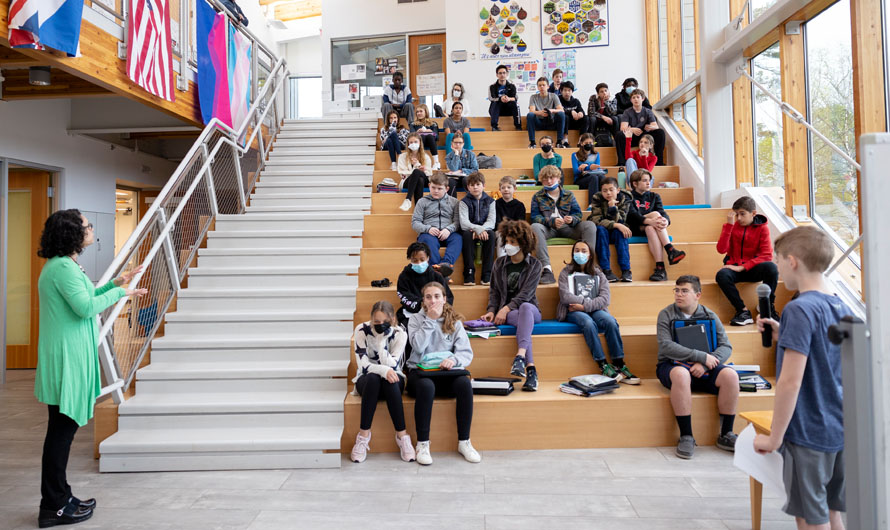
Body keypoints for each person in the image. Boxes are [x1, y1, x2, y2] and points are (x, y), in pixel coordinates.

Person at [35, 209, 147, 528]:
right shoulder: (62, 269)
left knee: (61, 433)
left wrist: (116, 282)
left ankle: (60, 496)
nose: (91, 228)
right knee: (60, 435)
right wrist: (121, 293)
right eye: (87, 225)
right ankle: (53, 505)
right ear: (72, 233)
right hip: (66, 359)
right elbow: (85, 308)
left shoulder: (62, 266)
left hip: (67, 356)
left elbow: (85, 297)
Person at [753, 226, 852, 530]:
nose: (778, 269)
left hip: (808, 430)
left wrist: (775, 437)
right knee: (832, 512)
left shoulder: (799, 309)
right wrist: (784, 335)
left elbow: (790, 381)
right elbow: (826, 355)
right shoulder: (841, 305)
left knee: (810, 518)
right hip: (839, 428)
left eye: (779, 261)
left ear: (792, 261)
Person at [656, 275, 739, 460]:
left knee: (731, 376)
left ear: (697, 295)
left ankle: (726, 434)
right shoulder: (666, 314)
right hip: (671, 365)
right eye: (676, 290)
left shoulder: (710, 315)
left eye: (684, 291)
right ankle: (686, 436)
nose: (678, 294)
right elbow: (666, 346)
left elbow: (726, 347)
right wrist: (700, 357)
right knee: (681, 374)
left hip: (706, 367)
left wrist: (705, 364)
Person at [406, 282, 479, 465]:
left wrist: (453, 360)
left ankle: (464, 442)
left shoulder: (455, 321)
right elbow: (417, 347)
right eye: (428, 297)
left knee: (464, 383)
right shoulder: (415, 319)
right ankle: (422, 444)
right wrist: (430, 320)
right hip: (420, 374)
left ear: (444, 299)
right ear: (423, 300)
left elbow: (465, 352)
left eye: (437, 296)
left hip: (445, 374)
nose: (433, 301)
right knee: (426, 386)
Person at [557, 240, 639, 383]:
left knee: (610, 321)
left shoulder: (599, 274)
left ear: (590, 255)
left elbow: (605, 299)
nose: (579, 253)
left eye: (583, 251)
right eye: (576, 250)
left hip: (591, 309)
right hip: (573, 310)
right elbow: (565, 296)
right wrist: (584, 306)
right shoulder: (565, 272)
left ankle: (619, 363)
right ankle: (602, 364)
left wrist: (584, 306)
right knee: (588, 323)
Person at [481, 220, 543, 391]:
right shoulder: (499, 264)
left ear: (523, 244)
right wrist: (492, 311)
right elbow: (493, 291)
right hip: (509, 314)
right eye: (507, 242)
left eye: (512, 242)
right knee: (523, 325)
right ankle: (530, 370)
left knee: (524, 308)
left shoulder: (535, 265)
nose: (508, 246)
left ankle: (520, 356)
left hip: (530, 310)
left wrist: (505, 308)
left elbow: (526, 295)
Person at [350, 301, 415, 464]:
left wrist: (380, 342)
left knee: (390, 381)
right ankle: (363, 437)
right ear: (371, 319)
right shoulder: (361, 330)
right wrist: (382, 370)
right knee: (373, 378)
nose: (380, 325)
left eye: (384, 322)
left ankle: (402, 437)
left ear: (392, 319)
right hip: (366, 381)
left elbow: (393, 365)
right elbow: (363, 366)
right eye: (376, 322)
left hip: (393, 379)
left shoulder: (400, 333)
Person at [715, 196, 779, 326]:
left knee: (772, 268)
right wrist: (729, 226)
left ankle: (767, 307)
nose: (738, 218)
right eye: (737, 214)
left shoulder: (762, 228)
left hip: (753, 269)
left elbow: (766, 255)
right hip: (734, 268)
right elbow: (721, 249)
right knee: (721, 275)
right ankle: (742, 312)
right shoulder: (732, 226)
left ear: (753, 213)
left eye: (742, 214)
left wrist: (743, 267)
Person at [530, 165, 598, 285]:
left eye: (552, 178)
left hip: (568, 228)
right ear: (541, 180)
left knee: (590, 225)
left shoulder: (568, 194)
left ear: (558, 178)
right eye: (545, 179)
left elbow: (578, 214)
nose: (549, 181)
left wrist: (572, 219)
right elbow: (535, 217)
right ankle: (547, 269)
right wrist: (551, 221)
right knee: (534, 227)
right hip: (549, 229)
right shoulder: (537, 196)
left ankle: (588, 265)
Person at [626, 169, 685, 281]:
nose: (648, 183)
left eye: (649, 180)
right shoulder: (628, 196)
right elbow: (632, 215)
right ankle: (670, 249)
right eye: (644, 181)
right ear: (635, 183)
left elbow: (663, 213)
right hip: (635, 226)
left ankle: (660, 268)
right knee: (655, 214)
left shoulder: (654, 196)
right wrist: (651, 221)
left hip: (651, 228)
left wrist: (666, 221)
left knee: (651, 227)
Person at [412, 173, 461, 278]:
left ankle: (445, 264)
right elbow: (415, 222)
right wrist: (427, 229)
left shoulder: (455, 202)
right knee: (426, 240)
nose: (436, 191)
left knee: (458, 238)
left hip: (448, 233)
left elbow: (457, 222)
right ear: (429, 185)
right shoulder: (422, 202)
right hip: (429, 234)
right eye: (433, 187)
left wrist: (448, 229)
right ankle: (437, 270)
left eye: (439, 188)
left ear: (447, 189)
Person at [395, 242, 453, 328]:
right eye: (415, 260)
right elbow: (404, 296)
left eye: (422, 259)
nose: (419, 263)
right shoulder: (404, 276)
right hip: (412, 313)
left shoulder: (436, 276)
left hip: (437, 312)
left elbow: (448, 297)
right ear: (410, 259)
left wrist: (436, 309)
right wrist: (423, 306)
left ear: (428, 258)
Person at [589, 176, 633, 283]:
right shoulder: (597, 198)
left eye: (611, 190)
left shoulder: (625, 198)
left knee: (620, 232)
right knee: (600, 230)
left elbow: (622, 220)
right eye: (605, 191)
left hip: (616, 232)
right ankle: (606, 269)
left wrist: (613, 209)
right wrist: (616, 225)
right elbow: (596, 219)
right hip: (603, 232)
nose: (608, 193)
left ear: (617, 190)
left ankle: (626, 270)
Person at [459, 172, 496, 286]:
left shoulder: (490, 201)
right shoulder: (464, 202)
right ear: (468, 187)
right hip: (469, 230)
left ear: (483, 186)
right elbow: (464, 222)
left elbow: (491, 221)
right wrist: (477, 229)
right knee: (466, 235)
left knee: (492, 235)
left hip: (485, 229)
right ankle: (469, 273)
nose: (475, 187)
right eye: (472, 185)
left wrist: (481, 230)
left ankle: (487, 274)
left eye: (478, 184)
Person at [618, 89, 665, 166]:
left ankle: (659, 162)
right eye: (633, 97)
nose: (635, 99)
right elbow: (623, 128)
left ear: (642, 99)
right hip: (632, 137)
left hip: (644, 136)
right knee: (619, 134)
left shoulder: (648, 111)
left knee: (660, 132)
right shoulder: (627, 112)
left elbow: (655, 126)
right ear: (631, 100)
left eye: (637, 97)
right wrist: (632, 129)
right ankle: (622, 162)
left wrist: (650, 127)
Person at [527, 77, 565, 149]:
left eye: (543, 85)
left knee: (561, 114)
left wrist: (552, 110)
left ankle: (559, 142)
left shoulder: (554, 96)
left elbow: (561, 110)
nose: (542, 87)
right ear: (537, 87)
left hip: (551, 121)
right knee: (530, 115)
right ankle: (532, 143)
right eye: (540, 85)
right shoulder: (533, 97)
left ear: (548, 86)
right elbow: (531, 111)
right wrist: (540, 113)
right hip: (539, 122)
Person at [398, 133, 433, 211]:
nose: (413, 144)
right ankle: (419, 210)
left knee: (419, 175)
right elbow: (402, 172)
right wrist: (416, 168)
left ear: (420, 143)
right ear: (408, 144)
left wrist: (418, 166)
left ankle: (408, 199)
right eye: (411, 142)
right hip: (407, 181)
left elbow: (429, 173)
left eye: (415, 142)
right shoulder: (402, 157)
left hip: (425, 180)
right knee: (418, 178)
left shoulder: (426, 157)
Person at [495, 176, 527, 257]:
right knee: (501, 235)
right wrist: (505, 230)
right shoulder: (496, 204)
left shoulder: (520, 205)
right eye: (503, 187)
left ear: (515, 189)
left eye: (509, 187)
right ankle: (501, 261)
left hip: (515, 230)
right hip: (500, 231)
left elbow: (521, 222)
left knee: (522, 236)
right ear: (500, 190)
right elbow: (497, 222)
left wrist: (512, 230)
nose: (506, 189)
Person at [488, 65, 521, 131]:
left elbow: (516, 97)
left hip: (508, 109)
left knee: (514, 103)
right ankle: (494, 127)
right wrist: (500, 99)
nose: (502, 75)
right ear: (497, 75)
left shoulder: (512, 86)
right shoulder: (492, 86)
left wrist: (508, 99)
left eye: (504, 73)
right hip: (496, 110)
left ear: (507, 74)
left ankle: (518, 126)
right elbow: (491, 98)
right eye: (500, 73)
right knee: (495, 103)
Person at [409, 104, 441, 170]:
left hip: (430, 142)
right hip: (418, 143)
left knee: (429, 136)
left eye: (421, 111)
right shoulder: (412, 124)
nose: (419, 113)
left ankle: (436, 162)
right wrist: (417, 133)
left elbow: (437, 137)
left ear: (425, 112)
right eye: (417, 112)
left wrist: (430, 132)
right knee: (422, 136)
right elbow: (411, 136)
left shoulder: (433, 123)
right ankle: (419, 161)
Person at [587, 82, 619, 147]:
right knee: (591, 119)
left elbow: (613, 112)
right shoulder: (593, 98)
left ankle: (616, 140)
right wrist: (602, 117)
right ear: (598, 94)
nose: (604, 93)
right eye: (601, 92)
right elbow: (591, 112)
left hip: (608, 119)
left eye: (606, 91)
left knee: (615, 118)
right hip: (597, 119)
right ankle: (591, 141)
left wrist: (606, 102)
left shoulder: (613, 98)